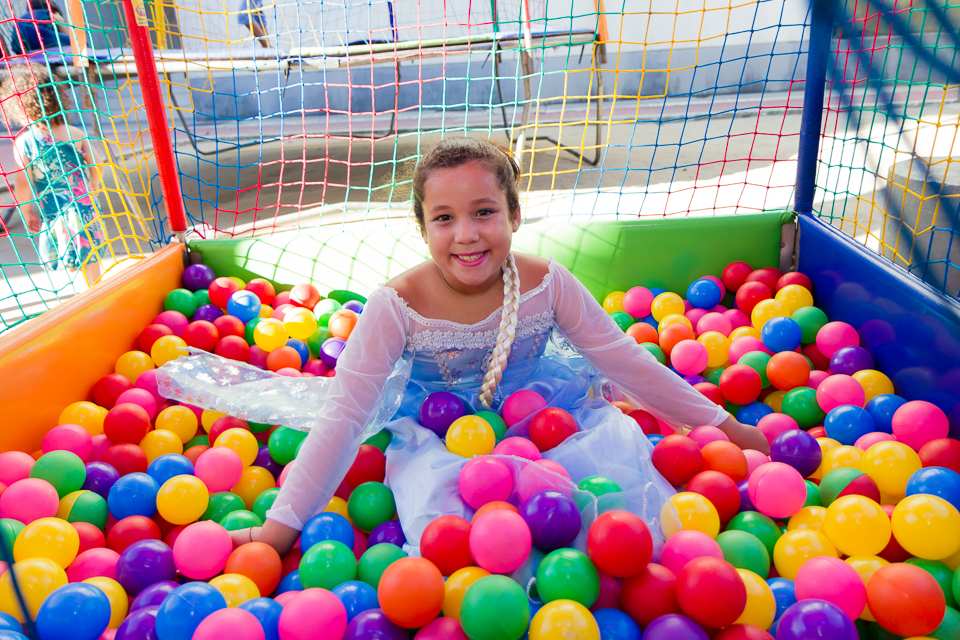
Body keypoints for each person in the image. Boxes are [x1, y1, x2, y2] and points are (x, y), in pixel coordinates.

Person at [158, 138, 769, 557]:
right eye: (444, 218)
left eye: (484, 212)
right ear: (422, 227)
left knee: (614, 490)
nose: (467, 235)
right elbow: (345, 416)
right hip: (435, 429)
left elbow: (622, 358)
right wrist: (278, 531)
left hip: (549, 416)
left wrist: (721, 424)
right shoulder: (395, 304)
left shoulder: (547, 282)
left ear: (514, 214)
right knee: (451, 526)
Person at [0, 65, 105, 282]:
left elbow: (23, 180)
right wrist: (93, 186)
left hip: (57, 210)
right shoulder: (74, 132)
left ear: (20, 110)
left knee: (69, 253)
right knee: (89, 253)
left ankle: (83, 294)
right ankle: (95, 288)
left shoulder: (25, 142)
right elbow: (98, 161)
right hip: (85, 204)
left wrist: (26, 210)